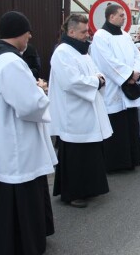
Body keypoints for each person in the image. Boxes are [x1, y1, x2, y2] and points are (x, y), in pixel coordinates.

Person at [0, 11, 57, 254]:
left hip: (2, 139)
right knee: (22, 190)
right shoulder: (11, 62)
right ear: (19, 32)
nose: (30, 35)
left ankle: (2, 240)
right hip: (17, 142)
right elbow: (28, 105)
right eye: (27, 30)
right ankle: (24, 242)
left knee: (3, 194)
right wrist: (41, 90)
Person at [48, 13, 112, 208]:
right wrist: (96, 81)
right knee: (76, 155)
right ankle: (73, 192)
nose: (87, 35)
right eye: (84, 32)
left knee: (89, 153)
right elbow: (71, 82)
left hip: (88, 109)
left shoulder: (81, 51)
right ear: (71, 31)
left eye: (88, 31)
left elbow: (96, 71)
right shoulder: (62, 52)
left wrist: (99, 78)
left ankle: (89, 188)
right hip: (73, 112)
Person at [91, 4, 140, 172]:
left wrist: (135, 73)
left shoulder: (126, 35)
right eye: (121, 15)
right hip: (113, 87)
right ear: (111, 17)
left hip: (129, 84)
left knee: (130, 124)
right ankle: (116, 163)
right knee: (117, 126)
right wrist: (128, 75)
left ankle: (131, 159)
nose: (124, 18)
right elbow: (107, 62)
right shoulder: (101, 36)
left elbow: (136, 55)